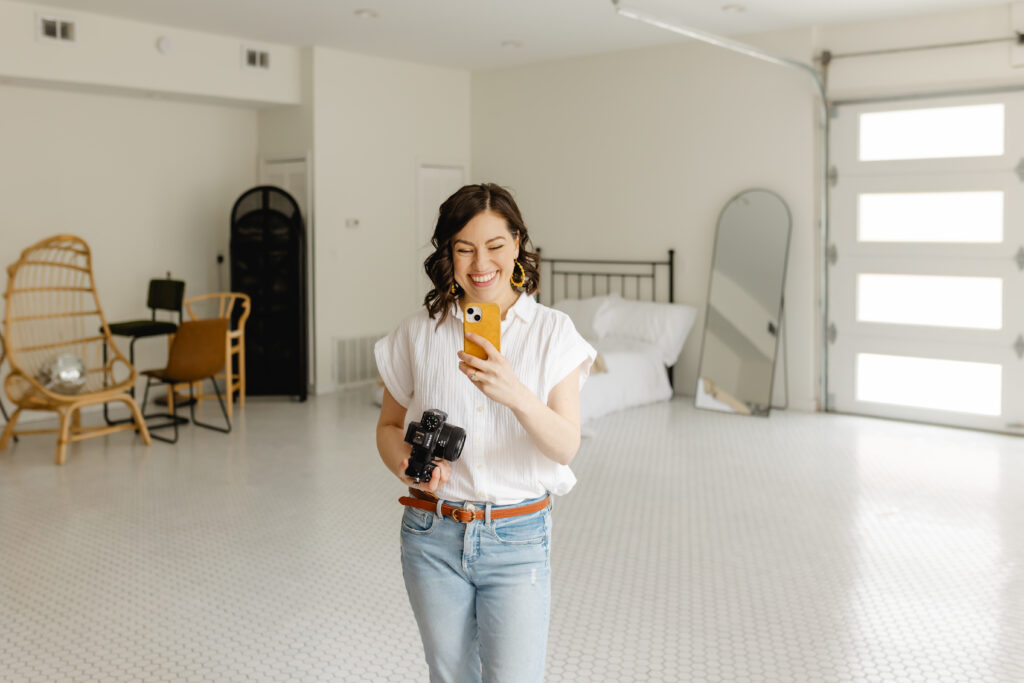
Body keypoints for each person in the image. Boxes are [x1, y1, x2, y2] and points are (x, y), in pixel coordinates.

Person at [374, 183, 596, 682]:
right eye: (464, 248)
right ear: (448, 254)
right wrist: (410, 467)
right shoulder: (418, 332)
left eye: (495, 246)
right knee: (451, 677)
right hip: (431, 534)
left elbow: (565, 446)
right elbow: (389, 427)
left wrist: (515, 392)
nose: (480, 264)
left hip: (517, 538)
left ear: (517, 243)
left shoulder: (553, 333)